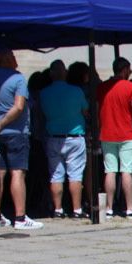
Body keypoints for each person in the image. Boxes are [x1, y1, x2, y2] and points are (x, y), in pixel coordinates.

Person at [0, 49, 40, 230]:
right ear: (5, 59)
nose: (15, 59)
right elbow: (19, 106)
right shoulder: (18, 78)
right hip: (15, 131)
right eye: (12, 56)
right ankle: (20, 217)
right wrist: (0, 123)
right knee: (17, 172)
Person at [39, 59, 88, 218]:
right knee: (75, 175)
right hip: (74, 137)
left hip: (53, 137)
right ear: (65, 73)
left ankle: (58, 209)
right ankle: (76, 209)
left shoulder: (43, 93)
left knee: (56, 175)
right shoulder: (77, 91)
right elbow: (86, 112)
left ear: (51, 74)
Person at [98, 56, 132, 218]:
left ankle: (109, 207)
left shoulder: (102, 87)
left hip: (107, 133)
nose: (130, 73)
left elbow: (97, 111)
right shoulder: (131, 87)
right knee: (126, 171)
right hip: (127, 133)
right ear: (124, 70)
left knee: (109, 170)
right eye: (129, 70)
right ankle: (130, 207)